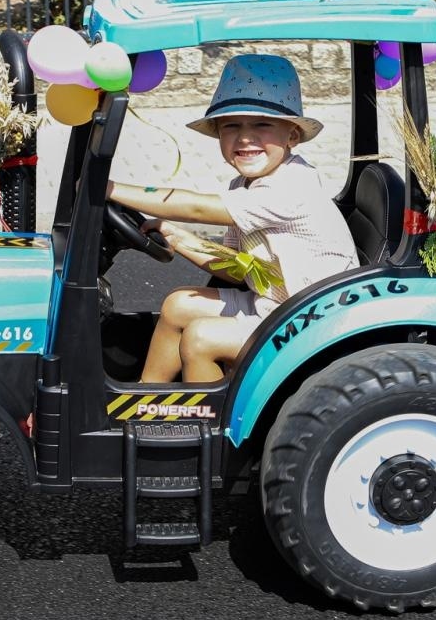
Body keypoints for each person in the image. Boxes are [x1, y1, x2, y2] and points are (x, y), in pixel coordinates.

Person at [106, 54, 360, 382]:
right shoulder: (244, 185)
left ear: (292, 136)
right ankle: (146, 400)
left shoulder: (292, 186)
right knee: (177, 305)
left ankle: (207, 427)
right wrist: (177, 237)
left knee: (201, 337)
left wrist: (108, 187)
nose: (244, 138)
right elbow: (235, 267)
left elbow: (196, 207)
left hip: (313, 326)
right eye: (232, 126)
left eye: (261, 125)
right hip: (275, 307)